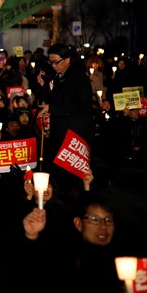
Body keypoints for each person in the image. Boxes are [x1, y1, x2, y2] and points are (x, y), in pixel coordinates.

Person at [35, 44, 95, 202]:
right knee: (59, 171)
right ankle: (62, 199)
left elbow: (81, 105)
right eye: (51, 62)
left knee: (72, 174)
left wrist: (53, 108)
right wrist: (44, 84)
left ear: (67, 59)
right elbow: (45, 100)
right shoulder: (55, 76)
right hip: (58, 131)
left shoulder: (79, 78)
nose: (54, 66)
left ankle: (77, 202)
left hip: (74, 133)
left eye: (57, 62)